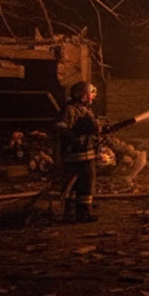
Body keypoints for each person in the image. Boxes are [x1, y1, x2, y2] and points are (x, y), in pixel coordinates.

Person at [56, 81, 102, 222]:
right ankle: (74, 214)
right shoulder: (70, 110)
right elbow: (61, 129)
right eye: (90, 94)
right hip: (75, 155)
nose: (92, 97)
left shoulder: (84, 110)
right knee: (77, 185)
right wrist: (76, 138)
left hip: (86, 154)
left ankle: (81, 212)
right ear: (82, 95)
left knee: (85, 185)